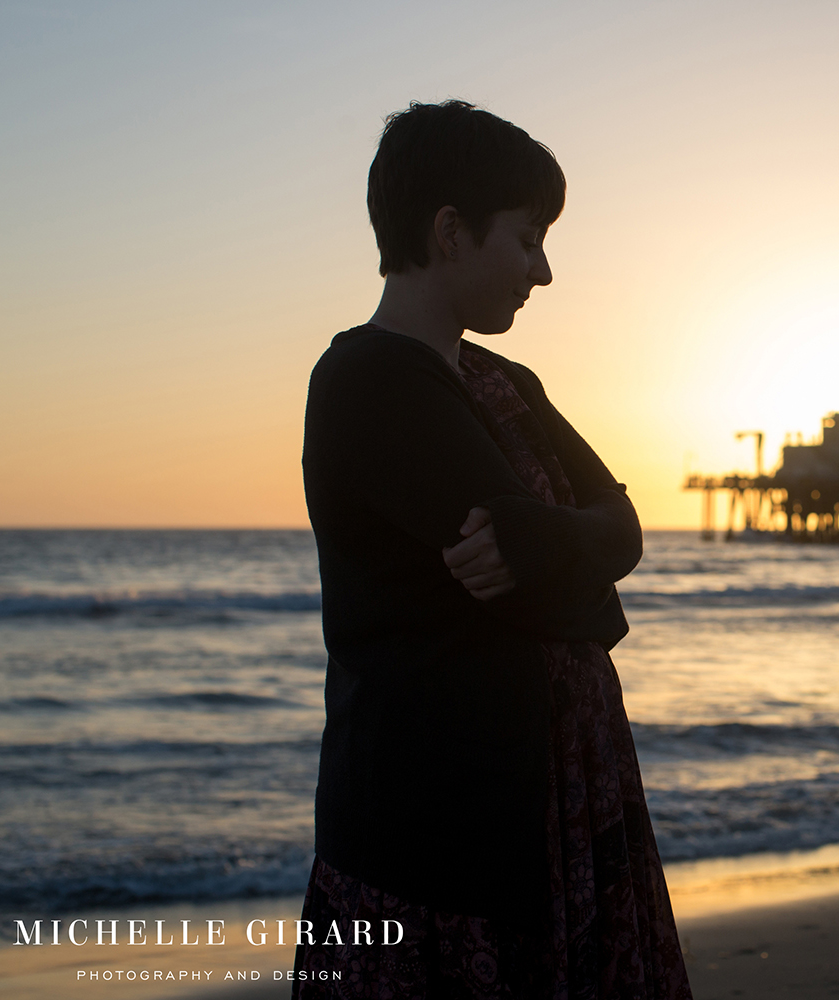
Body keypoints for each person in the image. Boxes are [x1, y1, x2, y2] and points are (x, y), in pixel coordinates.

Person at [296, 100, 693, 998]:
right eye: (527, 239)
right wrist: (582, 575)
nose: (542, 271)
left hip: (547, 804)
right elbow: (545, 595)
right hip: (439, 833)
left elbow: (623, 525)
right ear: (450, 233)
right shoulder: (368, 382)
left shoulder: (505, 380)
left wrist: (566, 550)